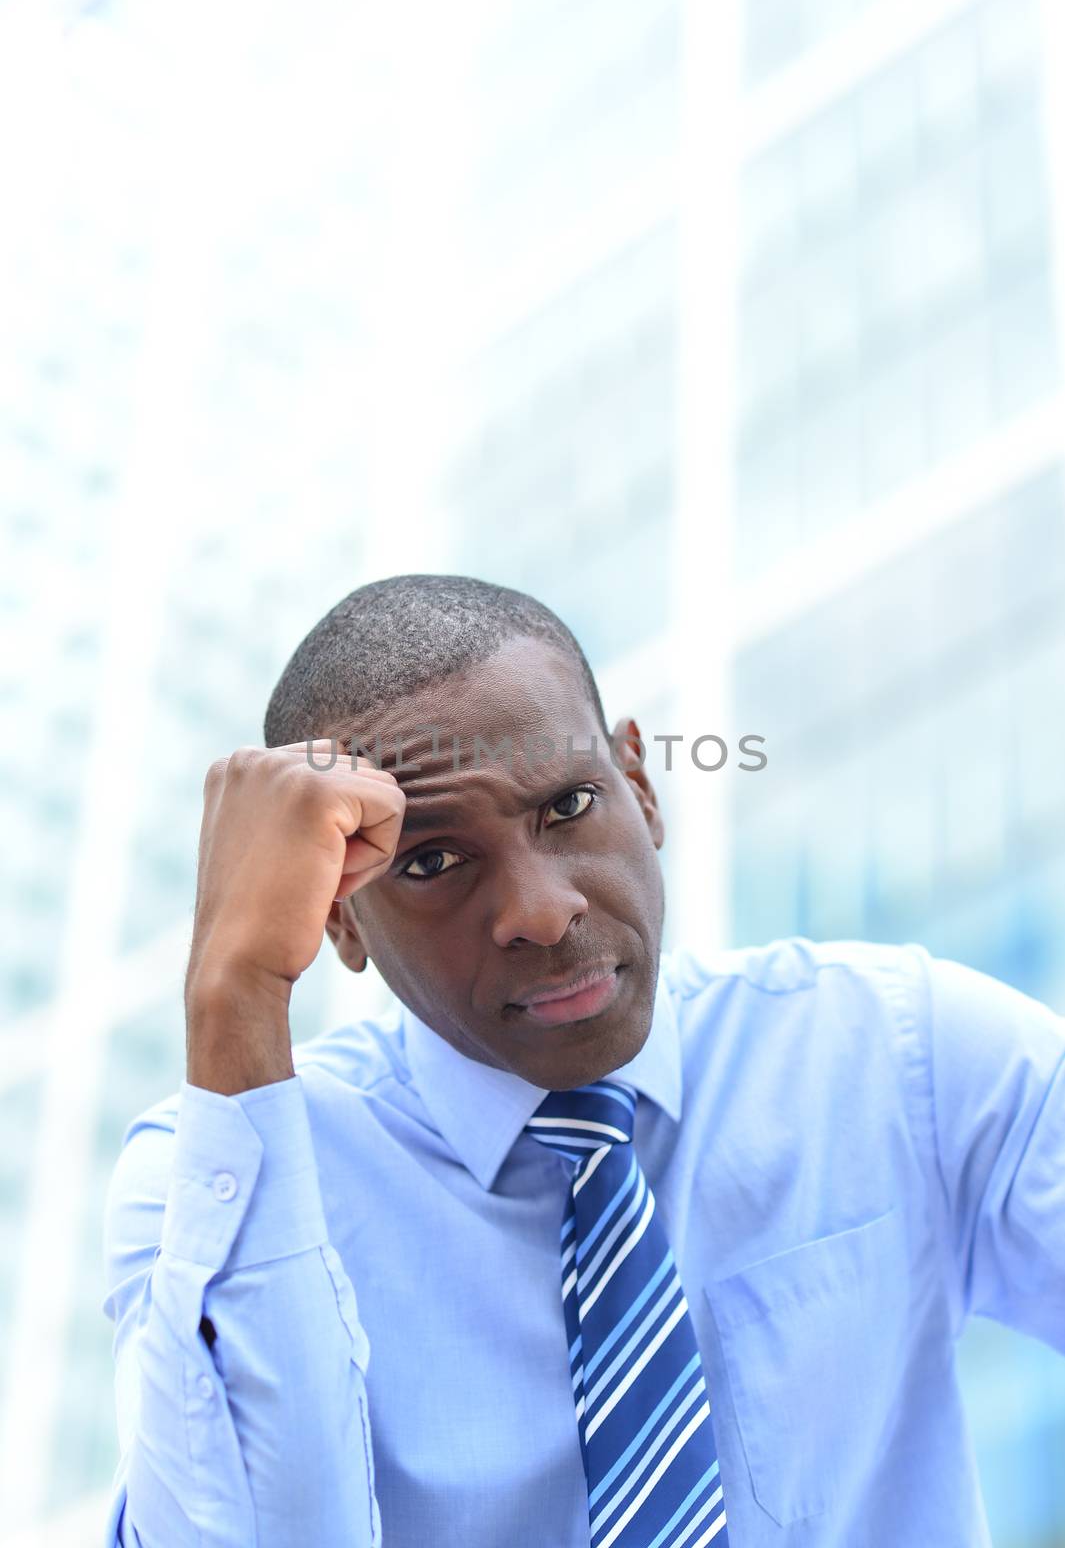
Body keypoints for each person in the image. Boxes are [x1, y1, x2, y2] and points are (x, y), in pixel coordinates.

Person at [101, 573, 1065, 1547]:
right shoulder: (218, 1177)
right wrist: (234, 992)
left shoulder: (899, 1055)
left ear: (641, 786)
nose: (541, 909)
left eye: (569, 805)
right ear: (341, 918)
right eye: (434, 861)